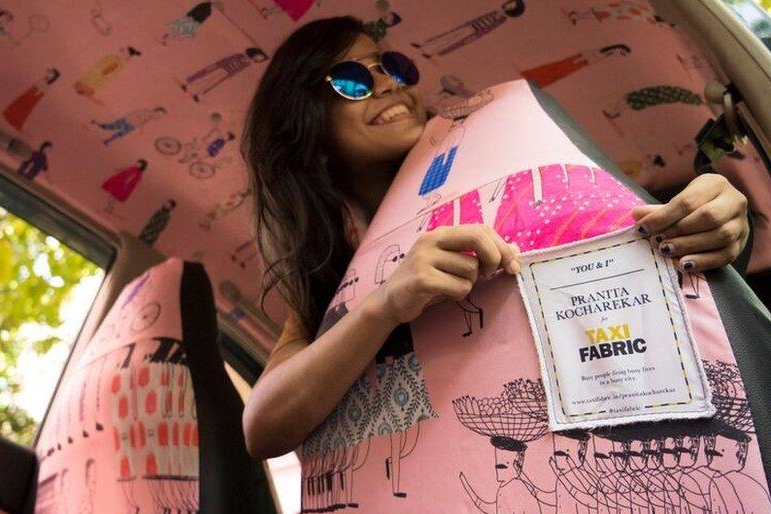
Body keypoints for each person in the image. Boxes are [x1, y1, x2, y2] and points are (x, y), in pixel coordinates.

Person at [240, 16, 751, 460]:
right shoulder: (335, 271)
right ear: (305, 125)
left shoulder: (517, 174)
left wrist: (711, 211)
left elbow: (631, 228)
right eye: (351, 80)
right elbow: (261, 428)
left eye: (393, 66)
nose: (390, 84)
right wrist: (384, 305)